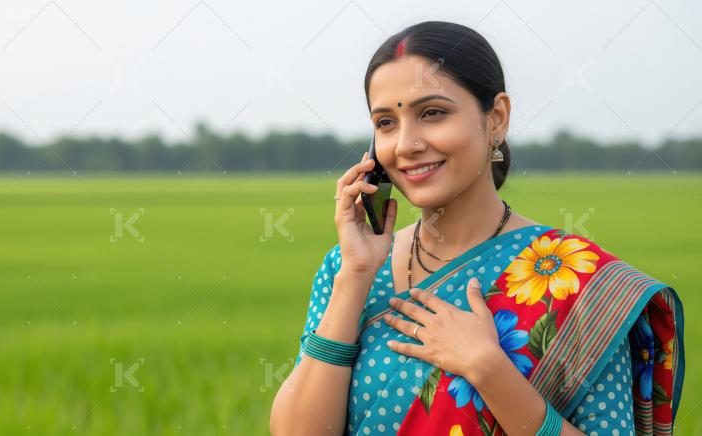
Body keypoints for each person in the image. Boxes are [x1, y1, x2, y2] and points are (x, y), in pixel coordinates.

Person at [270, 21, 684, 436]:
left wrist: (488, 369)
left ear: (497, 118)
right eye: (386, 123)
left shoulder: (578, 281)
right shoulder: (348, 271)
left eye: (432, 113)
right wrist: (356, 277)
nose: (406, 144)